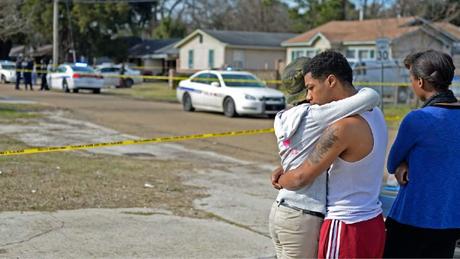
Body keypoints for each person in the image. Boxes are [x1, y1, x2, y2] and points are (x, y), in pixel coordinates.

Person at [274, 50, 388, 258]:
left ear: (331, 81)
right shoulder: (375, 113)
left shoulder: (341, 128)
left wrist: (281, 179)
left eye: (311, 88)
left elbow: (302, 176)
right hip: (373, 221)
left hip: (345, 225)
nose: (309, 97)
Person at [384, 50, 460, 258]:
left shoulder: (417, 119)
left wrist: (403, 164)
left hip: (412, 219)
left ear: (420, 82)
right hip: (450, 221)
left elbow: (392, 163)